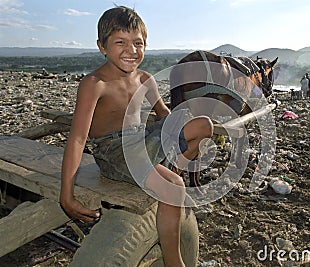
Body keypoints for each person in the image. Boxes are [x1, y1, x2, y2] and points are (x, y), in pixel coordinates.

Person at [60, 6, 213, 266]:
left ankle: (160, 170)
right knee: (173, 185)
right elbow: (77, 139)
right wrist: (67, 193)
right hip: (113, 151)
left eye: (138, 43)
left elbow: (164, 114)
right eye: (121, 42)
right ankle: (174, 260)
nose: (132, 51)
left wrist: (180, 121)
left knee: (204, 126)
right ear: (102, 47)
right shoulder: (95, 83)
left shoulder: (145, 78)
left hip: (141, 139)